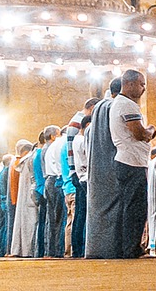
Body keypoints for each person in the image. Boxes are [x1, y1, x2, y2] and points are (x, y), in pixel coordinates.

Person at [111, 69, 156, 258]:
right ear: (129, 84)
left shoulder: (118, 103)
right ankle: (131, 248)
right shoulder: (128, 105)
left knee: (128, 207)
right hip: (132, 162)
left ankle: (125, 247)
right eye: (142, 84)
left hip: (127, 160)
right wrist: (152, 130)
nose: (144, 89)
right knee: (135, 208)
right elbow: (139, 134)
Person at [85, 77, 123, 258]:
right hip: (111, 166)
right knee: (114, 211)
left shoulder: (99, 108)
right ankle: (113, 249)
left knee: (98, 212)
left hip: (96, 170)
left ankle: (97, 249)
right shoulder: (114, 107)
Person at [8, 140, 37, 256]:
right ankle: (28, 250)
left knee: (22, 224)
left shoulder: (18, 163)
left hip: (21, 199)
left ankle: (20, 250)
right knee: (30, 224)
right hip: (30, 198)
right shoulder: (29, 160)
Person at [72, 110, 94, 257]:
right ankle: (83, 247)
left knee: (80, 214)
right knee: (85, 215)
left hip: (81, 177)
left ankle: (77, 248)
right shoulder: (82, 140)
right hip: (86, 177)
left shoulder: (75, 140)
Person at [42, 126, 66, 257]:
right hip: (53, 180)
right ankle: (56, 249)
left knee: (52, 218)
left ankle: (51, 250)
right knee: (57, 218)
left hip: (49, 181)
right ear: (52, 136)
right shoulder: (55, 146)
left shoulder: (47, 147)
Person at [0, 154, 13, 256]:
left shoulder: (0, 173)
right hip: (6, 200)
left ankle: (0, 250)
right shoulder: (6, 171)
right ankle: (6, 249)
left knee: (2, 227)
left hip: (2, 200)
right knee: (7, 227)